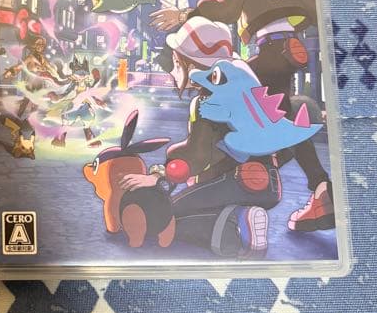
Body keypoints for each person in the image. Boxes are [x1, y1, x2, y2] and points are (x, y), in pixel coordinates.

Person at [151, 0, 334, 233]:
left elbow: (225, 10)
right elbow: (315, 5)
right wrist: (291, 23)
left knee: (224, 96)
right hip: (287, 51)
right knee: (284, 114)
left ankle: (237, 168)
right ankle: (321, 189)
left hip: (269, 51)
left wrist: (184, 15)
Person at [119, 17, 281, 257]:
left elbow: (198, 155)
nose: (174, 71)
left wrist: (159, 177)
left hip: (237, 182)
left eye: (177, 63)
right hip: (269, 184)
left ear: (191, 64)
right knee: (192, 201)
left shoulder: (207, 101)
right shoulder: (243, 89)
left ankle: (237, 223)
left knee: (167, 216)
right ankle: (239, 215)